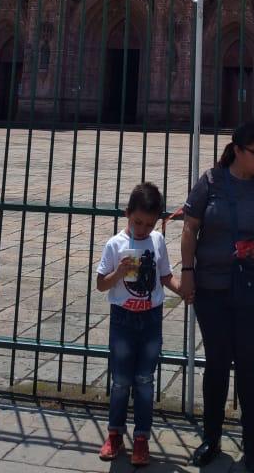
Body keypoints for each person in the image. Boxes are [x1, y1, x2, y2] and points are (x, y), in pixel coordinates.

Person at [179, 123, 254, 473]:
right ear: (238, 150)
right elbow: (189, 227)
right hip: (212, 287)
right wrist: (186, 272)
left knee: (248, 366)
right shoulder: (210, 181)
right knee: (215, 364)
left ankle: (253, 445)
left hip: (253, 291)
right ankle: (211, 438)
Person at [96, 182, 181, 467]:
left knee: (144, 380)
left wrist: (184, 290)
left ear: (156, 221)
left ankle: (142, 437)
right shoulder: (115, 244)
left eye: (148, 223)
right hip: (123, 317)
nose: (142, 229)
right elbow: (100, 284)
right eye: (137, 222)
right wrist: (118, 273)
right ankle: (115, 433)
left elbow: (166, 275)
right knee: (120, 380)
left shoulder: (156, 241)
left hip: (150, 317)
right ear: (126, 214)